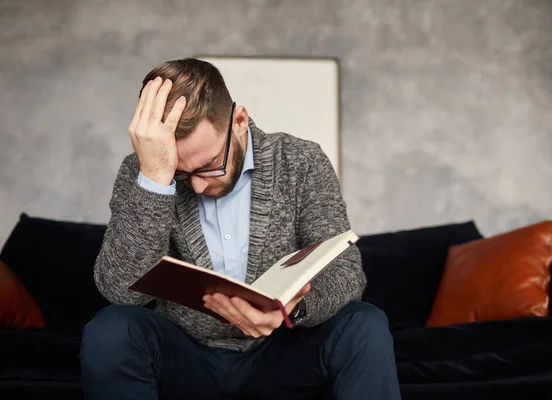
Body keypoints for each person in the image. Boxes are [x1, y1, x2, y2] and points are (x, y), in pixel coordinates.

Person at [79, 57, 401, 400]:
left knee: (365, 324)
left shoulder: (301, 160)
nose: (198, 188)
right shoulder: (143, 172)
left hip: (281, 355)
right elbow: (121, 292)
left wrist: (291, 308)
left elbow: (346, 275)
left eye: (208, 167)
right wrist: (157, 179)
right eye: (182, 175)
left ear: (239, 121)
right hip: (187, 358)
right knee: (110, 329)